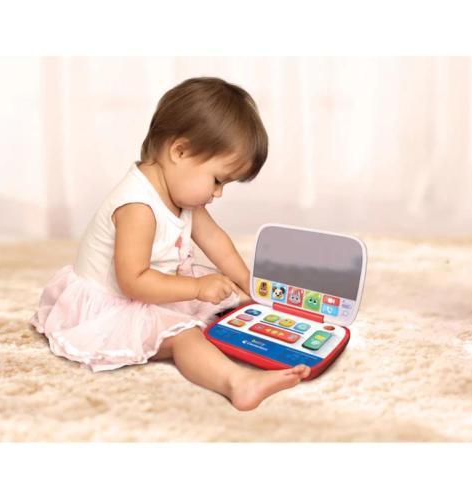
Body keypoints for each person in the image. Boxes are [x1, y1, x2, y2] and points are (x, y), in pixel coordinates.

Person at [30, 76, 310, 411]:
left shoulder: (181, 194)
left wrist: (248, 283)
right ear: (180, 151)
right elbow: (133, 282)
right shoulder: (138, 207)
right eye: (217, 180)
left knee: (227, 294)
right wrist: (196, 288)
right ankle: (237, 383)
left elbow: (216, 242)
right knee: (183, 335)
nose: (218, 193)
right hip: (116, 304)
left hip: (153, 286)